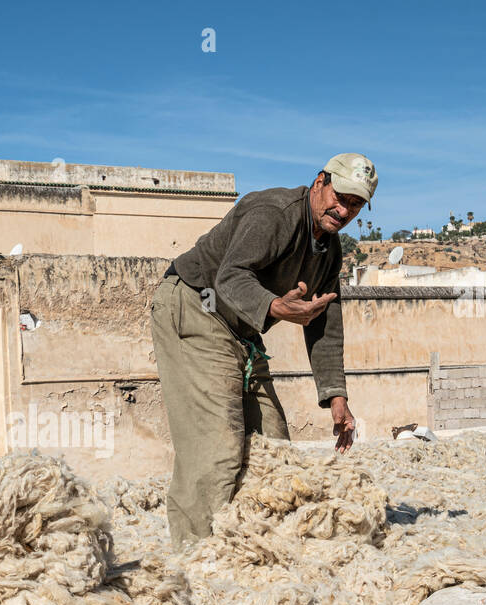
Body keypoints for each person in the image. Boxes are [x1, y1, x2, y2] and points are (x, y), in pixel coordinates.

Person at [150, 152, 378, 547]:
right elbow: (230, 276)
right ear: (320, 181)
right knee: (217, 447)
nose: (344, 210)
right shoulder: (272, 213)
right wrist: (275, 307)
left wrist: (336, 396)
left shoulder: (330, 249)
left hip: (241, 327)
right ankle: (194, 557)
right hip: (195, 305)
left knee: (274, 446)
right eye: (340, 196)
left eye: (355, 204)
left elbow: (325, 319)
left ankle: (253, 546)